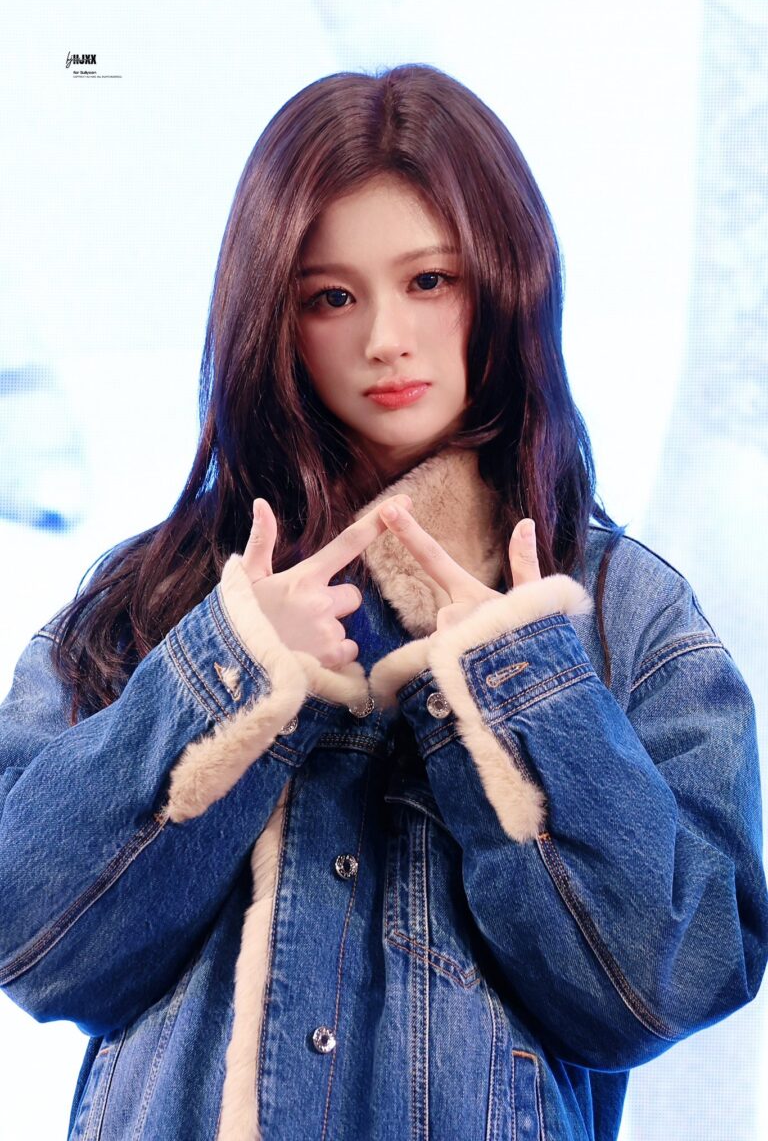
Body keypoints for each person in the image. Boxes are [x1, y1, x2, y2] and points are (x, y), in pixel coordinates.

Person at [0, 64, 766, 1141]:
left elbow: (671, 981)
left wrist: (515, 684)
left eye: (430, 280)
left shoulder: (620, 612)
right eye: (332, 296)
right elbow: (29, 940)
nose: (384, 340)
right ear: (275, 314)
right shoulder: (155, 592)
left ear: (506, 280)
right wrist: (232, 669)